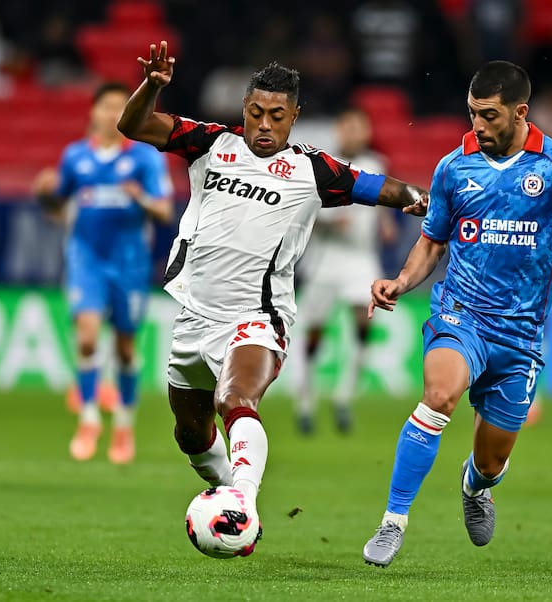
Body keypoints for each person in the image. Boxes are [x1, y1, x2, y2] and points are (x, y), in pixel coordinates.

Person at [116, 41, 428, 543]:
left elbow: (381, 188)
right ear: (244, 109)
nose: (265, 125)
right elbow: (132, 127)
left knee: (236, 399)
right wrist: (151, 86)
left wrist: (424, 201)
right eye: (256, 113)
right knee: (191, 435)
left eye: (277, 116)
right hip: (194, 316)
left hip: (257, 316)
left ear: (295, 116)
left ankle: (240, 503)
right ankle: (234, 501)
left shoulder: (313, 170)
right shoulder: (210, 143)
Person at [361, 60, 552, 567]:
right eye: (471, 113)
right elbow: (431, 243)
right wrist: (401, 281)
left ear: (520, 112)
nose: (476, 124)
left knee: (492, 459)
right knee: (437, 396)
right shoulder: (454, 166)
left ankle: (475, 486)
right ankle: (393, 522)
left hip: (521, 335)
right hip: (462, 314)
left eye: (488, 115)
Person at [33, 82, 174, 465]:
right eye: (106, 107)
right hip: (86, 260)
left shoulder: (145, 159)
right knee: (88, 338)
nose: (112, 114)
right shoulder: (75, 157)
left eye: (119, 107)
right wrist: (43, 191)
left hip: (129, 265)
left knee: (126, 348)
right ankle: (90, 417)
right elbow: (56, 200)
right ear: (92, 113)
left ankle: (124, 425)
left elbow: (164, 212)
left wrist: (140, 197)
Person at [294, 107, 397, 435]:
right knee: (314, 331)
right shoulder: (322, 165)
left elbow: (381, 200)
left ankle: (343, 397)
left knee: (364, 324)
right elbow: (303, 208)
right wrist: (329, 219)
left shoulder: (377, 164)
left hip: (361, 259)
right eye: (348, 127)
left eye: (359, 128)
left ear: (366, 132)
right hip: (326, 257)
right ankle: (306, 399)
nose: (353, 134)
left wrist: (386, 222)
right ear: (339, 131)